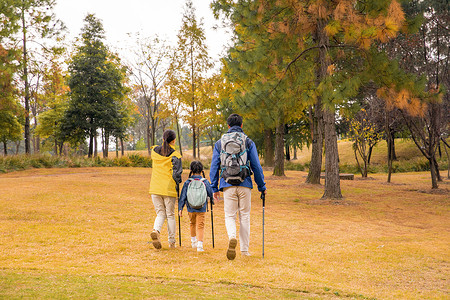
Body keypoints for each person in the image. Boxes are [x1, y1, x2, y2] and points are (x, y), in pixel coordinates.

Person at [210, 113, 267, 260]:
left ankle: (232, 237)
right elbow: (256, 165)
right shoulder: (247, 141)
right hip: (245, 183)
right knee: (245, 216)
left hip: (227, 184)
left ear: (228, 126)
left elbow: (214, 165)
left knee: (230, 215)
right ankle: (244, 250)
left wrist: (214, 188)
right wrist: (262, 186)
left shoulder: (219, 143)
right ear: (241, 125)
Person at [149, 129, 182, 249]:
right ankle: (172, 242)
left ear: (163, 139)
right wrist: (178, 183)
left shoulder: (154, 151)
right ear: (173, 141)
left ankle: (156, 231)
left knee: (160, 213)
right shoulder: (175, 155)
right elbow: (177, 174)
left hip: (155, 187)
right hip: (168, 188)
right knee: (170, 215)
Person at [178, 161, 214, 252]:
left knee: (192, 223)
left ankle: (193, 242)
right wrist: (212, 202)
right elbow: (210, 193)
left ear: (191, 170)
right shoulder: (205, 181)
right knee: (200, 226)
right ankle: (200, 245)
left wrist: (180, 208)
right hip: (201, 208)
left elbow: (183, 196)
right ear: (202, 170)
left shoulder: (187, 182)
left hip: (190, 208)